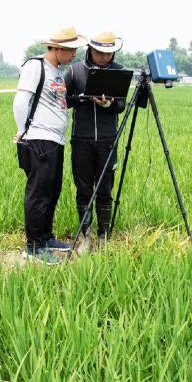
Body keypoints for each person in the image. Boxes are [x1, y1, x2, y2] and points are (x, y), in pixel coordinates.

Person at [13, 25, 88, 264]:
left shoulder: (56, 70)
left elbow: (58, 102)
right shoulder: (36, 66)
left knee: (52, 190)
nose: (74, 54)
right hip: (40, 139)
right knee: (38, 193)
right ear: (55, 48)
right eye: (70, 49)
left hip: (55, 140)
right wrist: (23, 130)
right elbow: (21, 100)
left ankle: (46, 238)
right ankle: (33, 248)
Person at [64, 31, 126, 246]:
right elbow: (64, 101)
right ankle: (86, 235)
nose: (105, 58)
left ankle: (104, 235)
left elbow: (121, 105)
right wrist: (81, 98)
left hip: (108, 140)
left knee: (105, 189)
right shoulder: (74, 71)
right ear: (90, 49)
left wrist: (107, 104)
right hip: (81, 139)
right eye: (101, 53)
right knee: (83, 188)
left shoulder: (119, 72)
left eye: (109, 54)